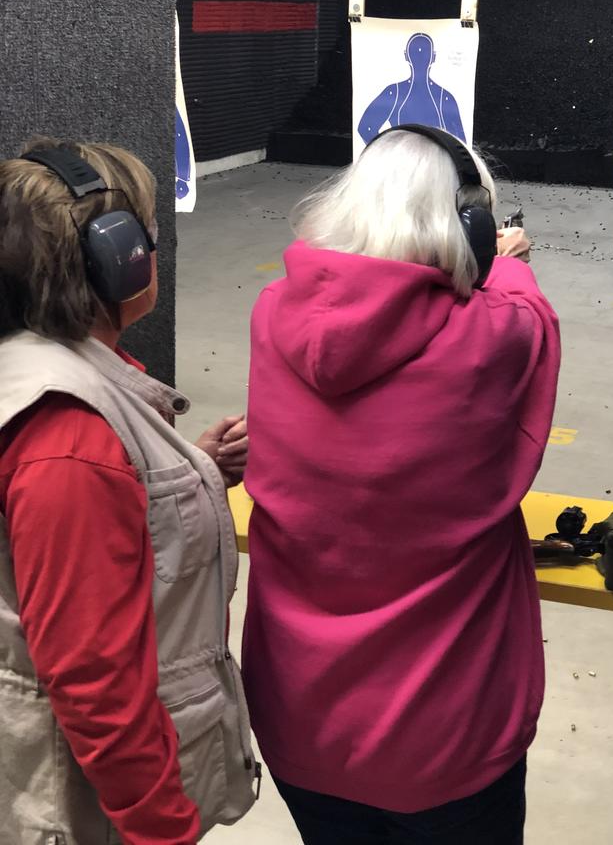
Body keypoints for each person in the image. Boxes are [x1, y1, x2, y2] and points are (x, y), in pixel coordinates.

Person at [242, 125, 561, 844]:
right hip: (447, 739)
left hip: (301, 723)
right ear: (468, 225)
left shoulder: (271, 316)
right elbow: (529, 317)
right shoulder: (495, 335)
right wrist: (506, 263)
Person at [0, 137, 258, 844]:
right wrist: (161, 828)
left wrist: (192, 469)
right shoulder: (70, 438)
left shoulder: (56, 376)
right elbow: (94, 678)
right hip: (89, 814)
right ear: (118, 260)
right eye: (146, 234)